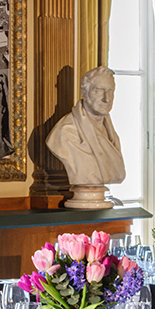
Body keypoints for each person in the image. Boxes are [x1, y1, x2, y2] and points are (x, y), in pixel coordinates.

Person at [46, 66, 127, 209]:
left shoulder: (111, 133)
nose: (106, 98)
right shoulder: (65, 132)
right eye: (98, 91)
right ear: (84, 92)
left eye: (110, 91)